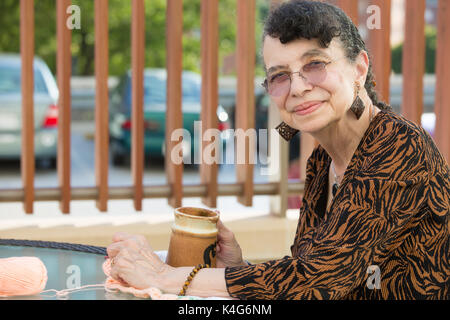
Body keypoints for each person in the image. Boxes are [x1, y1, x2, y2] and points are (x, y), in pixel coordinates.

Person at [106, 0, 449, 299]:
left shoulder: (399, 147)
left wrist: (164, 277)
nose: (297, 88)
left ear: (359, 68)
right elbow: (307, 278)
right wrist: (237, 267)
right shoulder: (321, 161)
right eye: (280, 75)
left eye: (315, 64)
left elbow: (319, 281)